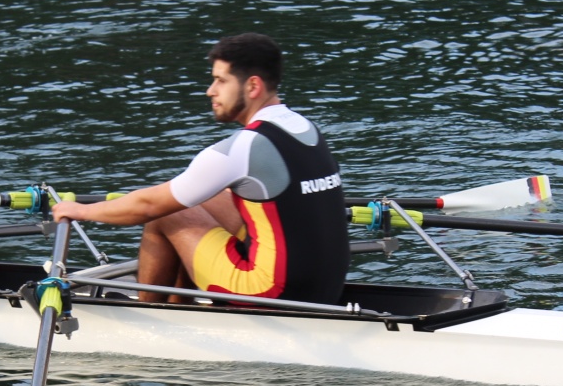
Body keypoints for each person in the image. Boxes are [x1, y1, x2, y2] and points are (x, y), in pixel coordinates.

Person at [51, 33, 348, 304]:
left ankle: (150, 315)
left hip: (271, 293)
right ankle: (179, 304)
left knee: (166, 212)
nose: (210, 91)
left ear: (253, 86)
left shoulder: (242, 147)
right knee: (203, 198)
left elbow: (148, 206)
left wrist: (80, 211)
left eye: (221, 81)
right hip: (326, 286)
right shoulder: (305, 128)